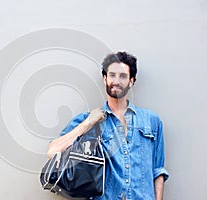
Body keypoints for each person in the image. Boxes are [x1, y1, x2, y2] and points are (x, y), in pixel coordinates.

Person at [47, 52, 169, 200]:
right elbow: (53, 152)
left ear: (131, 81)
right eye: (112, 75)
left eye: (123, 76)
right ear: (105, 79)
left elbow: (158, 171)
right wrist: (88, 123)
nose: (116, 81)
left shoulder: (151, 120)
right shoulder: (88, 120)